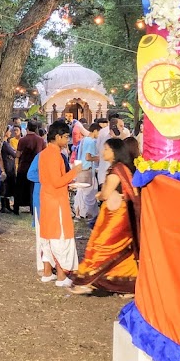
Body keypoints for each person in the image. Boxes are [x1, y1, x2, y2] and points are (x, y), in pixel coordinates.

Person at [71, 138, 141, 294]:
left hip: (116, 217)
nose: (103, 152)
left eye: (106, 149)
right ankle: (128, 285)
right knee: (121, 250)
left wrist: (100, 195)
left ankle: (87, 279)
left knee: (102, 246)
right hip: (118, 214)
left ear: (115, 152)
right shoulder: (122, 168)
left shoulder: (116, 171)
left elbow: (106, 194)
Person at [37, 120, 82, 287]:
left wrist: (67, 182)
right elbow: (57, 182)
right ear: (57, 137)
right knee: (60, 237)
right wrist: (74, 172)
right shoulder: (54, 155)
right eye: (65, 137)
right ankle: (62, 277)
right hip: (56, 201)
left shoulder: (44, 154)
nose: (68, 140)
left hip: (48, 199)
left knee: (48, 236)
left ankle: (48, 272)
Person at [15, 120, 44, 214]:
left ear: (27, 128)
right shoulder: (40, 140)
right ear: (36, 129)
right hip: (36, 168)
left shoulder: (22, 140)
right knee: (33, 189)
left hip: (23, 166)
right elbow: (44, 153)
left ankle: (16, 209)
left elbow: (18, 155)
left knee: (19, 189)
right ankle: (33, 209)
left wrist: (16, 166)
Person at [73, 121, 101, 219]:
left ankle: (79, 213)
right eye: (99, 132)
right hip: (87, 169)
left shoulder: (84, 140)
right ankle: (86, 213)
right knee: (88, 193)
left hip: (81, 168)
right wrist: (99, 158)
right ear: (95, 131)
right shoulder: (91, 142)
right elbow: (88, 157)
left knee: (80, 192)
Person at [0, 127, 17, 213]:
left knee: (6, 187)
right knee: (6, 187)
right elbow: (14, 154)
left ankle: (6, 205)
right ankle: (4, 206)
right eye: (9, 131)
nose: (10, 133)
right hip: (8, 167)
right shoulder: (5, 144)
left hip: (9, 166)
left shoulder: (5, 143)